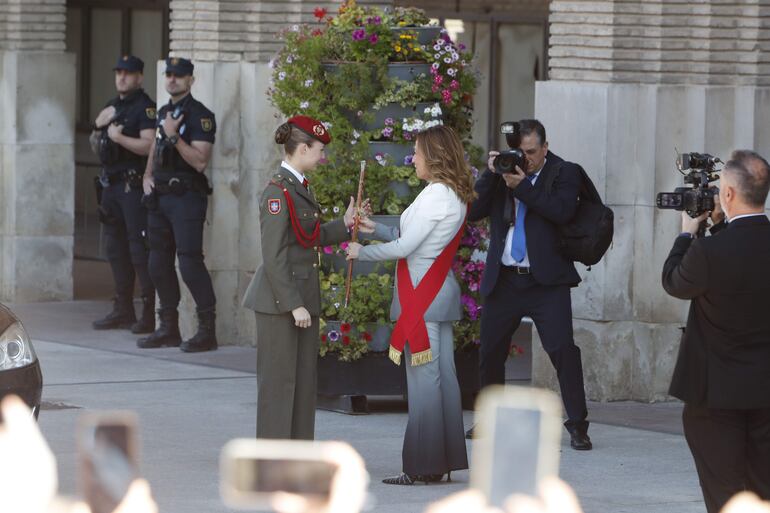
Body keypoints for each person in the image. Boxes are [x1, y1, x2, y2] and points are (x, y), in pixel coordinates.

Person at [346, 125, 472, 484]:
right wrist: (376, 229)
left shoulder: (436, 195)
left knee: (425, 385)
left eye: (417, 151)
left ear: (433, 156)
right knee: (443, 380)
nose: (413, 158)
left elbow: (405, 249)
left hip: (423, 298)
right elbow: (410, 237)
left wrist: (362, 251)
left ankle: (423, 466)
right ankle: (441, 461)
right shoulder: (447, 193)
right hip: (435, 295)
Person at [242, 115, 372, 440]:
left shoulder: (298, 187)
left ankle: (296, 457)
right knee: (279, 384)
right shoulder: (277, 193)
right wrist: (293, 304)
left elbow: (307, 237)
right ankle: (272, 464)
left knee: (302, 383)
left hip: (300, 300)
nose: (322, 156)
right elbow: (273, 257)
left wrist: (344, 223)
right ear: (302, 148)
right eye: (318, 149)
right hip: (281, 303)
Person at [466, 119, 591, 450]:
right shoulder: (502, 173)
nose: (525, 159)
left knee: (563, 350)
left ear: (545, 147)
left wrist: (522, 186)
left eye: (532, 153)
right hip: (505, 278)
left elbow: (561, 211)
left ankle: (578, 424)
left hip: (546, 282)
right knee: (490, 351)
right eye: (518, 153)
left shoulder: (564, 172)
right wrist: (491, 174)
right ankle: (490, 419)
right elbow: (473, 210)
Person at [662, 150, 770, 513]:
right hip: (765, 391)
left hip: (714, 394)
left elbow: (674, 282)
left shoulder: (707, 252)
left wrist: (686, 235)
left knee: (723, 493)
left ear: (727, 195)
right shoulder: (720, 248)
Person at [138, 57, 218, 353]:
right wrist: (147, 175)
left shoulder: (201, 116)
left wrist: (174, 136)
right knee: (157, 263)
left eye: (179, 75)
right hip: (159, 197)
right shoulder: (164, 112)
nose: (172, 79)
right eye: (169, 75)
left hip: (186, 198)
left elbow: (200, 161)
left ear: (191, 80)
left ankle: (207, 330)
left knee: (189, 262)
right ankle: (168, 328)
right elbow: (155, 147)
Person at [90, 55, 156, 335]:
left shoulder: (144, 107)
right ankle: (122, 308)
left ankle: (149, 312)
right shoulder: (111, 106)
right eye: (118, 72)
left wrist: (119, 138)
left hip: (132, 186)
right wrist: (97, 125)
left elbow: (149, 145)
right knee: (115, 249)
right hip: (111, 186)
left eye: (128, 73)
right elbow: (97, 145)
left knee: (138, 250)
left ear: (139, 77)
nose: (122, 77)